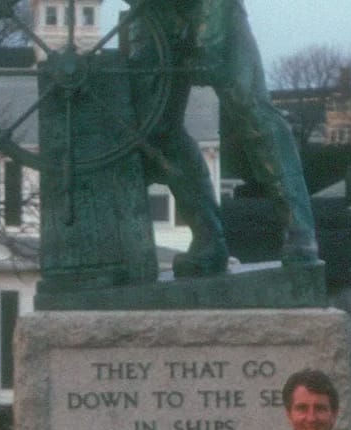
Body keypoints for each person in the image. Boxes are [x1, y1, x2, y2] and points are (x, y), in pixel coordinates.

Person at [129, 0, 318, 277]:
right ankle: (208, 241)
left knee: (253, 113)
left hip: (214, 9)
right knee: (157, 130)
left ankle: (300, 231)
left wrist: (208, 42)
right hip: (155, 16)